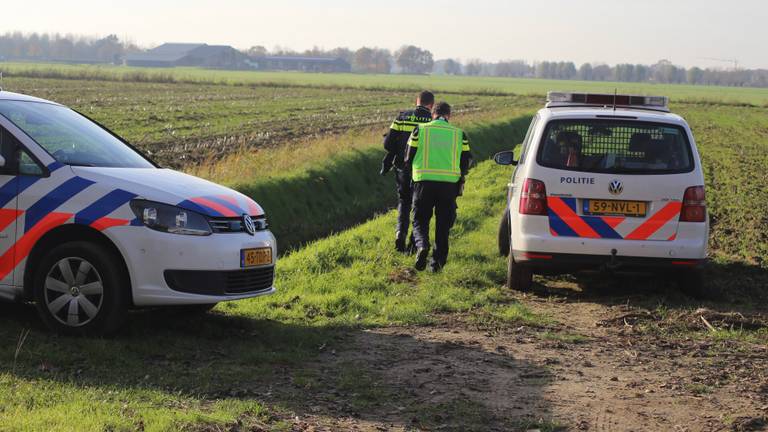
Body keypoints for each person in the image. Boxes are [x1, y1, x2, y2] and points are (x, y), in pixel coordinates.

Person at [405, 101, 472, 272]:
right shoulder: (459, 134)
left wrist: (410, 175)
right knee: (443, 226)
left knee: (420, 220)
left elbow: (408, 157)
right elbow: (467, 160)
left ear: (432, 114)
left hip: (423, 183)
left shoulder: (420, 130)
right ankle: (436, 265)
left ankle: (422, 246)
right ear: (449, 115)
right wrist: (460, 176)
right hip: (448, 186)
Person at [380, 91, 434, 253]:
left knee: (404, 202)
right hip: (423, 170)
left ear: (416, 101)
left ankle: (399, 233)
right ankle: (413, 243)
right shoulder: (432, 122)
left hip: (403, 168)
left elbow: (388, 144)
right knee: (420, 206)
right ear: (431, 105)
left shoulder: (402, 117)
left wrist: (399, 151)